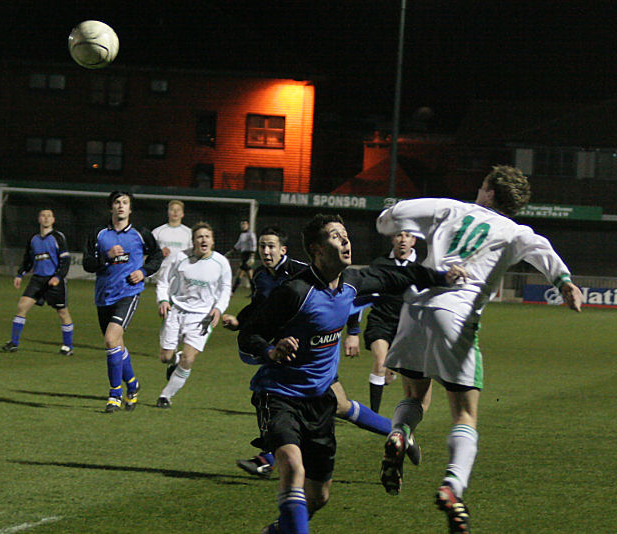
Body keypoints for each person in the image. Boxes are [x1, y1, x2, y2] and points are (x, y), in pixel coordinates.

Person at [376, 165, 583, 534]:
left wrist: (391, 218)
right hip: (456, 313)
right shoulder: (515, 230)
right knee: (465, 414)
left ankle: (399, 433)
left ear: (489, 191)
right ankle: (452, 487)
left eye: (483, 185)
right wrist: (563, 281)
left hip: (416, 307)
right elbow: (542, 250)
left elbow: (391, 219)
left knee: (414, 394)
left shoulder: (450, 209)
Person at [238, 214, 467, 534]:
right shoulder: (294, 292)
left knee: (319, 497)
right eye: (336, 236)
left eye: (345, 235)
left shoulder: (352, 284)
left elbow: (401, 276)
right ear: (317, 249)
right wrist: (271, 351)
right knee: (292, 466)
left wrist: (442, 277)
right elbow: (249, 336)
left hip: (321, 401)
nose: (346, 241)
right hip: (278, 395)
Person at [226, 226, 401, 479]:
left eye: (271, 246)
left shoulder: (302, 273)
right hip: (285, 352)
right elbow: (259, 306)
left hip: (311, 354)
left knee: (278, 397)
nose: (266, 251)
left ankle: (268, 457)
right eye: (262, 246)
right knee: (340, 406)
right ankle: (398, 432)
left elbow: (346, 296)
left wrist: (353, 331)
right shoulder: (262, 276)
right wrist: (241, 323)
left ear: (283, 249)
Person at [83, 191, 163, 413]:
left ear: (130, 209)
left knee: (110, 340)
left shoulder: (140, 234)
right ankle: (133, 385)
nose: (120, 206)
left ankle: (114, 394)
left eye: (125, 203)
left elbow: (157, 256)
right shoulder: (99, 235)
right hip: (103, 297)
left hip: (128, 294)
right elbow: (88, 263)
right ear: (111, 208)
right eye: (117, 202)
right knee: (117, 345)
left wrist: (143, 271)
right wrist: (105, 256)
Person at [155, 222, 232, 408]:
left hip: (202, 318)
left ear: (212, 241)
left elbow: (225, 289)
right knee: (165, 357)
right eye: (199, 236)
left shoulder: (221, 263)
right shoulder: (179, 258)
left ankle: (165, 396)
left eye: (207, 236)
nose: (203, 239)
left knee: (188, 359)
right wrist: (163, 300)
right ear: (193, 241)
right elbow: (163, 281)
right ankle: (174, 358)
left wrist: (219, 309)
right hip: (177, 312)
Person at [364, 230, 433, 414]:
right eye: (399, 235)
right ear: (392, 238)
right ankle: (374, 415)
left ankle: (406, 412)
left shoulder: (423, 266)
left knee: (407, 374)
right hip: (381, 320)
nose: (403, 239)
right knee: (380, 362)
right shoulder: (380, 264)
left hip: (409, 326)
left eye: (408, 235)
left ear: (414, 240)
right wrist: (353, 332)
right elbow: (364, 295)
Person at [2, 209, 74, 355]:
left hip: (54, 281)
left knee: (62, 313)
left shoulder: (58, 237)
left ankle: (68, 346)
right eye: (43, 216)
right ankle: (14, 343)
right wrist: (20, 274)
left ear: (53, 220)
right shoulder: (33, 239)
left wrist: (58, 277)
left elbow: (65, 260)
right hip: (37, 280)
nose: (46, 218)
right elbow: (28, 260)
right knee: (22, 307)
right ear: (39, 219)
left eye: (49, 216)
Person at [150, 200, 192, 283]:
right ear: (168, 213)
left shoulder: (189, 233)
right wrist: (159, 253)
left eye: (178, 210)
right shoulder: (157, 232)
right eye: (172, 209)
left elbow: (193, 254)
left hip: (182, 273)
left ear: (182, 214)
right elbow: (149, 253)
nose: (175, 212)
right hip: (161, 274)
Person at [229, 219, 257, 294]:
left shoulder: (251, 234)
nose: (243, 226)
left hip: (248, 254)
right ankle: (255, 291)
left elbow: (254, 244)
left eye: (244, 224)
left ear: (248, 225)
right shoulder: (242, 235)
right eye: (242, 224)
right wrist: (232, 251)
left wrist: (252, 256)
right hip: (243, 254)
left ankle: (232, 291)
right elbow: (239, 244)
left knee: (240, 273)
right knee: (249, 275)